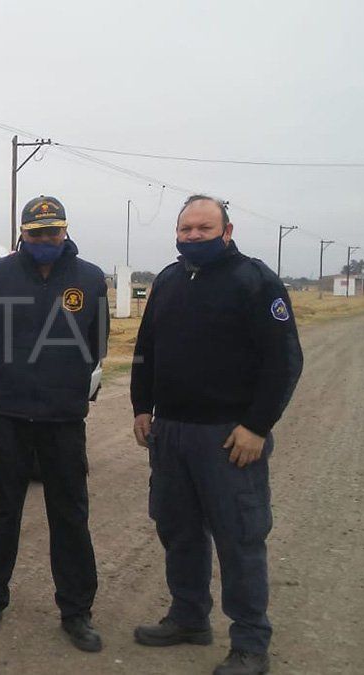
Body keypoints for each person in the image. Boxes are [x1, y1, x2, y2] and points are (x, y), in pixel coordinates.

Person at [130, 195, 303, 675]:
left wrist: (257, 427)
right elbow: (146, 349)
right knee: (178, 530)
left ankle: (250, 643)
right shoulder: (168, 280)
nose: (192, 237)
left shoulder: (255, 281)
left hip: (229, 439)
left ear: (227, 231)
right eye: (185, 229)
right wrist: (142, 407)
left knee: (239, 538)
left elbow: (284, 361)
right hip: (172, 434)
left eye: (203, 228)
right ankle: (188, 618)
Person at [0, 195, 108, 652]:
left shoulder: (89, 279)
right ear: (22, 233)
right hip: (9, 418)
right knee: (3, 512)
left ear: (66, 231)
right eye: (37, 233)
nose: (46, 240)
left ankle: (77, 612)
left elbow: (96, 343)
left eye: (53, 232)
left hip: (63, 420)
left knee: (70, 516)